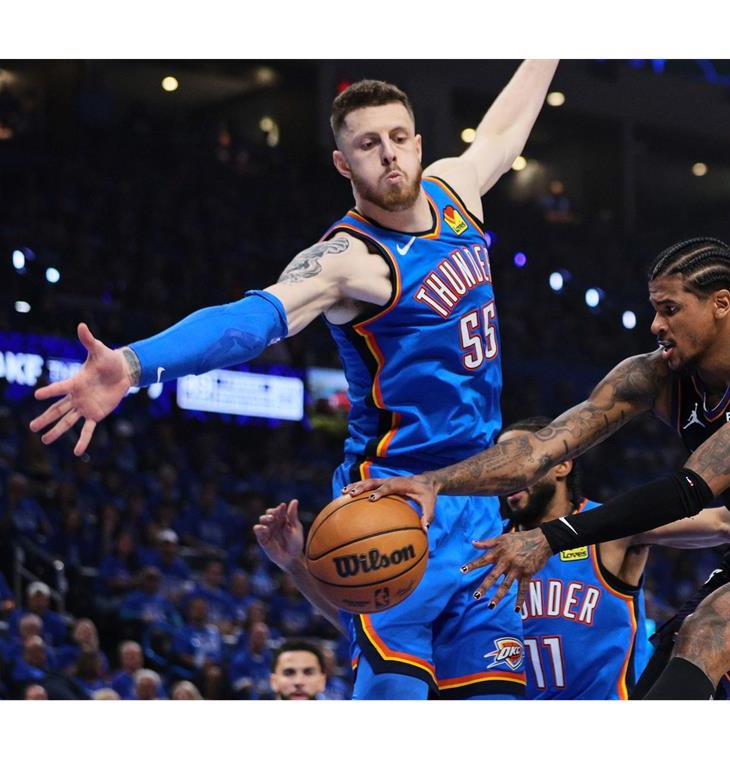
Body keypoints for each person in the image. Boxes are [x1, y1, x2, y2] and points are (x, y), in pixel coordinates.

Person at [32, 59, 559, 701]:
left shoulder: (457, 191)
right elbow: (253, 319)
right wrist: (137, 364)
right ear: (344, 164)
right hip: (392, 506)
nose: (388, 156)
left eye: (398, 138)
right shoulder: (348, 261)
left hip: (477, 504)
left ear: (419, 143)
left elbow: (505, 130)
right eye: (368, 144)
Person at [347, 237, 730, 699]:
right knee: (662, 680)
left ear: (721, 304)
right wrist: (433, 482)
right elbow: (539, 452)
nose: (655, 324)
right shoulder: (652, 375)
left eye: (670, 309)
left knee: (712, 627)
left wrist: (552, 537)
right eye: (654, 308)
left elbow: (689, 490)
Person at [495, 417, 730, 699]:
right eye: (499, 463)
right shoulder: (490, 545)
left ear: (562, 464)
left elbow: (723, 523)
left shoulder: (609, 528)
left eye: (520, 458)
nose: (507, 472)